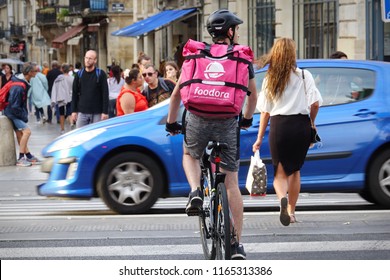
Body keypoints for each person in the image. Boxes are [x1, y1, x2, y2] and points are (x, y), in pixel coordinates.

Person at [166, 9, 258, 260]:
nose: (237, 33)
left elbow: (176, 95)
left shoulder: (195, 55)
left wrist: (171, 123)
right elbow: (253, 96)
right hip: (227, 122)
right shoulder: (241, 58)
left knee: (189, 153)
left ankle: (195, 191)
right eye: (235, 29)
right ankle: (236, 243)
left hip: (197, 119)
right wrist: (247, 120)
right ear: (230, 32)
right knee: (231, 183)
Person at [252, 38, 323, 226]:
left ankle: (281, 198)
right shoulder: (304, 75)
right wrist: (311, 123)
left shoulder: (270, 78)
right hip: (300, 125)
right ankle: (291, 211)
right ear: (293, 54)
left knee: (280, 173)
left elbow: (265, 112)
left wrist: (259, 138)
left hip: (279, 126)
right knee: (295, 171)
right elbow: (315, 103)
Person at [4, 62, 40, 167]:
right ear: (29, 72)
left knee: (20, 135)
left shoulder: (22, 82)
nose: (36, 73)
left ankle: (28, 156)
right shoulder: (18, 86)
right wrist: (23, 116)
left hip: (11, 111)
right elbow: (15, 105)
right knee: (27, 132)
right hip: (12, 113)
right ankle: (20, 158)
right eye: (35, 71)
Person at [71, 50, 109, 128]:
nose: (87, 60)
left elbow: (105, 93)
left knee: (96, 136)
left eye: (90, 58)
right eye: (86, 58)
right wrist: (74, 111)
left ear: (95, 60)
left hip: (97, 113)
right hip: (82, 112)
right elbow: (74, 93)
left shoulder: (100, 74)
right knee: (80, 136)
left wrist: (105, 112)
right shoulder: (79, 74)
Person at [51, 63, 74, 134]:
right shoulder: (72, 78)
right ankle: (71, 124)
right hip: (70, 97)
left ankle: (62, 129)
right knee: (70, 112)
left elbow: (55, 88)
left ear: (62, 69)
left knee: (61, 113)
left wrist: (54, 98)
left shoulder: (58, 79)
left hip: (61, 97)